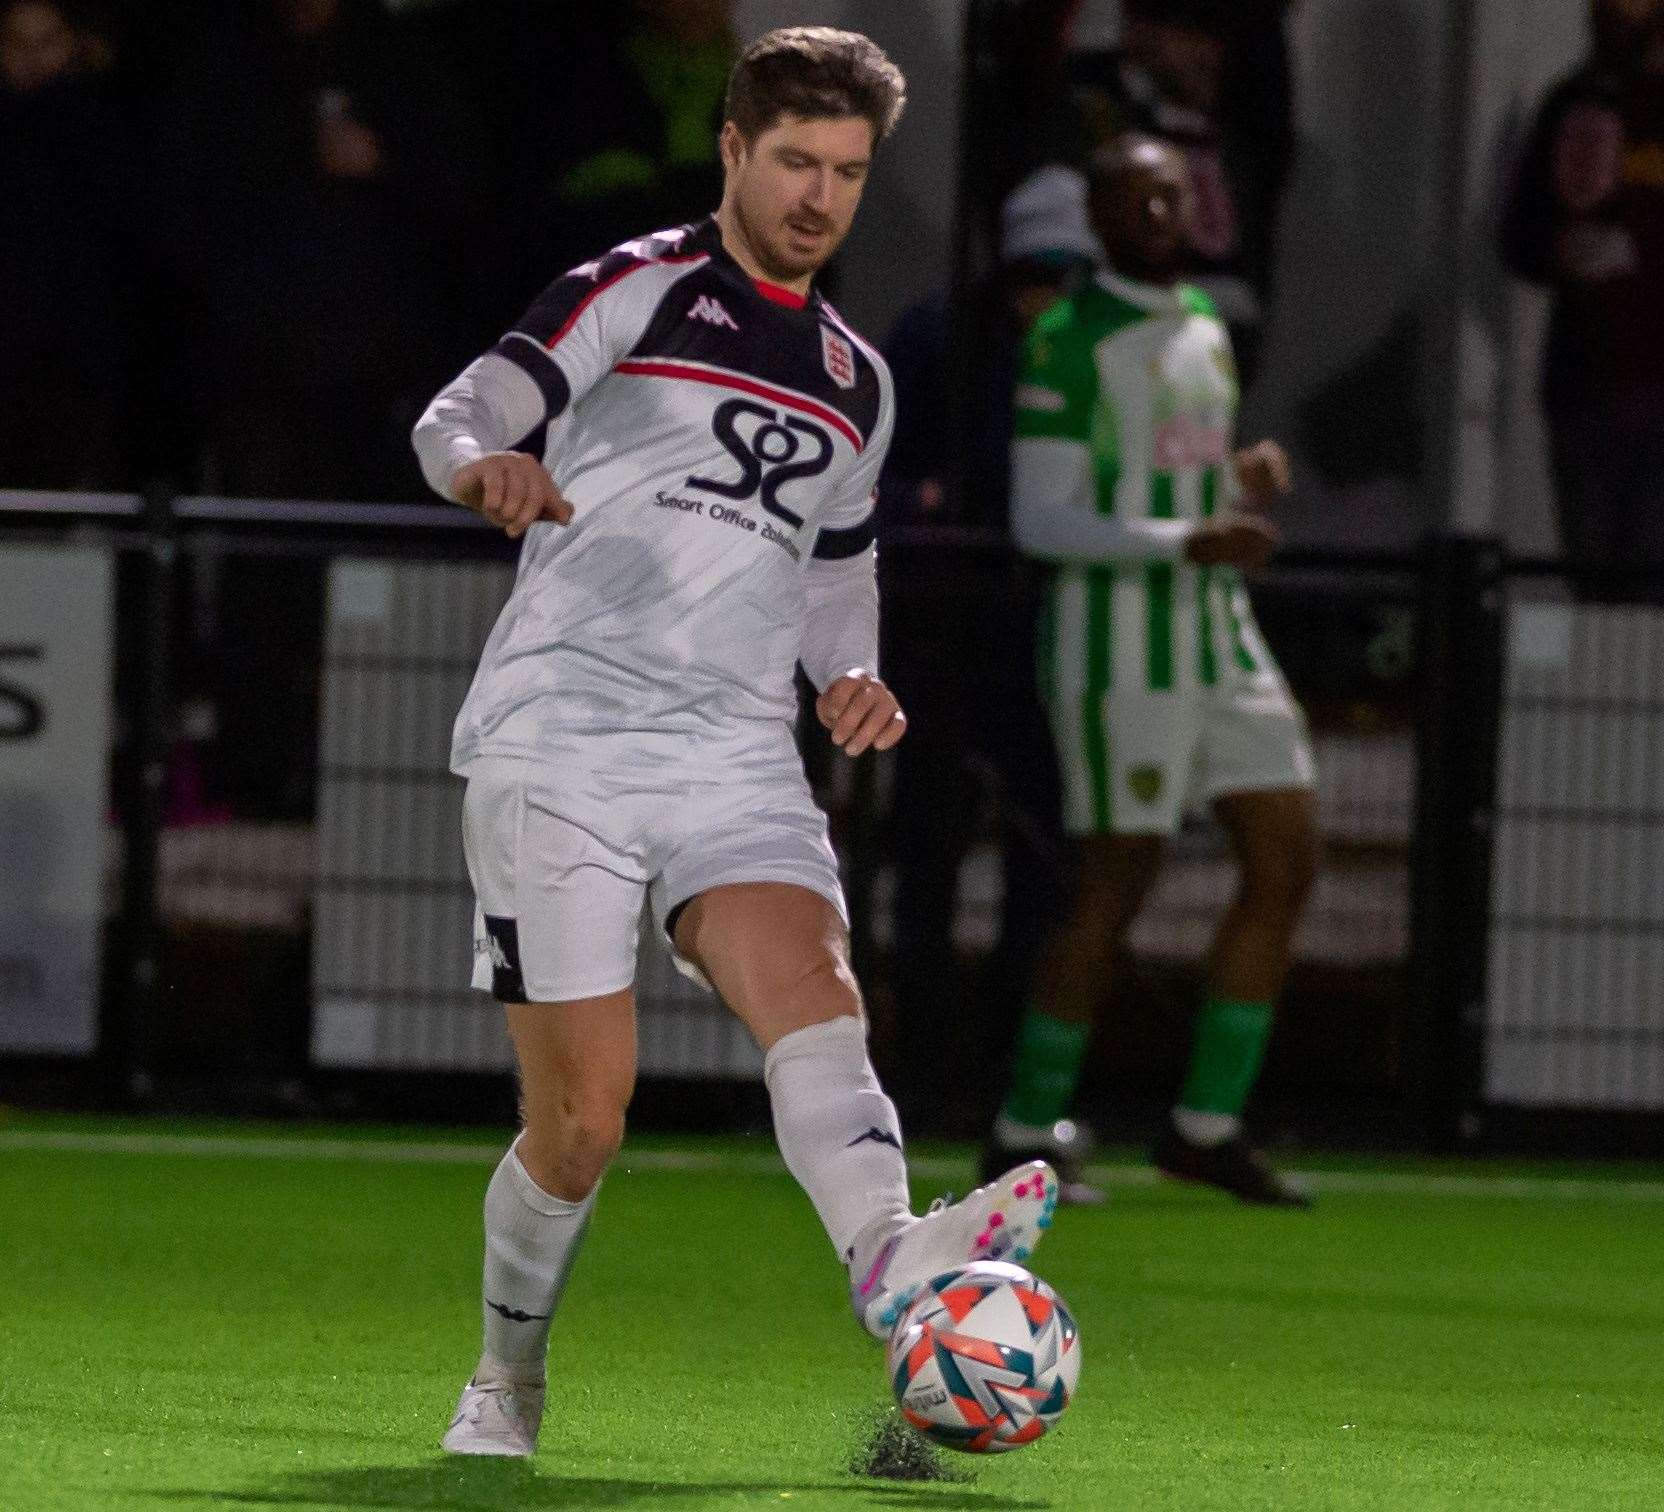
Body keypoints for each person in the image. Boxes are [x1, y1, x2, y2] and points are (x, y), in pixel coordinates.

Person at [411, 27, 1059, 1459]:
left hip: (733, 751)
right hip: (562, 742)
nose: (819, 197)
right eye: (794, 163)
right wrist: (485, 464)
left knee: (818, 990)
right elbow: (460, 409)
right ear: (733, 150)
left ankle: (893, 1265)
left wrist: (853, 672)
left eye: (846, 171)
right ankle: (508, 1376)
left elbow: (837, 570)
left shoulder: (857, 381)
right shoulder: (633, 289)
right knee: (581, 1127)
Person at [979, 134, 1319, 1208]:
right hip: (1117, 641)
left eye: (1174, 194)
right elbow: (1041, 517)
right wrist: (1186, 542)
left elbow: (1171, 468)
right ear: (1100, 215)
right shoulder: (1066, 339)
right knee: (1115, 881)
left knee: (1286, 856)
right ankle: (1021, 1133)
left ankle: (1202, 1126)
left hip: (1216, 632)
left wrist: (1238, 472)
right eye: (1138, 197)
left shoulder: (1206, 323)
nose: (1161, 213)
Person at [878, 165, 1101, 1129]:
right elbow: (872, 474)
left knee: (1040, 867)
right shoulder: (937, 342)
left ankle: (1014, 1077)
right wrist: (927, 507)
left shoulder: (1087, 351)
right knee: (926, 852)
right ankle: (920, 1069)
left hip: (1045, 641)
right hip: (939, 634)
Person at [1501, 0, 1664, 601]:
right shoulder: (1571, 103)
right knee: (1595, 590)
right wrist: (1559, 252)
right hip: (1584, 390)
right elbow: (1519, 237)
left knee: (1648, 588)